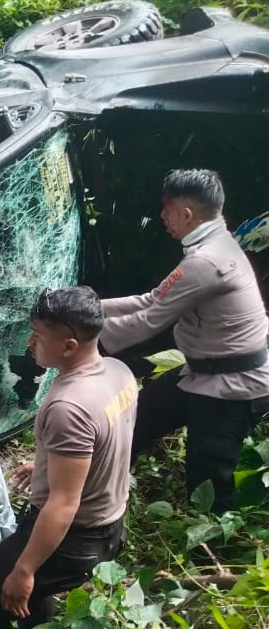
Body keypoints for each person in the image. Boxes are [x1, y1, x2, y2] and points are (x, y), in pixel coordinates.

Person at [0, 286, 137, 629]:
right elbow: (107, 442)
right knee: (31, 594)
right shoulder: (118, 372)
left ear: (68, 346)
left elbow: (63, 505)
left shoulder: (69, 407)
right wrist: (44, 462)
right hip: (111, 526)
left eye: (39, 335)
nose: (31, 343)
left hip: (74, 536)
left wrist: (23, 571)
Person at [98, 169, 269, 513]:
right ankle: (103, 496)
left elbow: (149, 318)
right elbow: (154, 299)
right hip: (200, 370)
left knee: (207, 488)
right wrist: (89, 307)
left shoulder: (207, 261)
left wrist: (87, 338)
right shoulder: (214, 245)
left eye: (167, 207)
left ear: (186, 213)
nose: (162, 216)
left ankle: (209, 559)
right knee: (136, 420)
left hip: (232, 387)